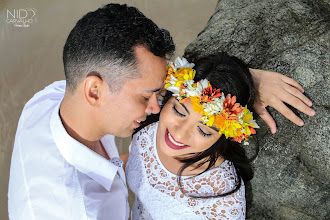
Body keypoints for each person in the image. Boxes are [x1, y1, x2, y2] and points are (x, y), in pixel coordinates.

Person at [8, 3, 314, 220]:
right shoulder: (76, 211)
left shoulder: (50, 99)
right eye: (147, 97)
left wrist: (240, 83)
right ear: (95, 91)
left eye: (161, 92)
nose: (157, 108)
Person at [126, 54, 259, 219]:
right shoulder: (148, 124)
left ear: (226, 135)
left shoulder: (223, 201)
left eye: (204, 131)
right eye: (178, 111)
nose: (179, 134)